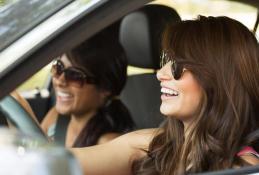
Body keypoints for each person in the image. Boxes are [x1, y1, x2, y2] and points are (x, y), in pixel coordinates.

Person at [71, 16, 259, 175]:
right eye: (166, 60)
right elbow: (60, 165)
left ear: (218, 79)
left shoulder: (243, 169)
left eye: (177, 65)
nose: (161, 74)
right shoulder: (155, 144)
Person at [41, 23, 135, 147]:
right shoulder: (55, 117)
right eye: (58, 68)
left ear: (105, 88)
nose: (59, 81)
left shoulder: (109, 144)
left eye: (75, 76)